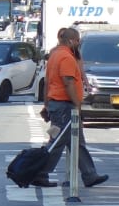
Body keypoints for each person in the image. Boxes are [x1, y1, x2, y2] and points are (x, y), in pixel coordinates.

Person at [40, 26, 107, 190]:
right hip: (65, 106)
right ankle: (39, 172)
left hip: (57, 104)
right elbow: (68, 82)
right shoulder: (66, 58)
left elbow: (48, 82)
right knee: (57, 142)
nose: (78, 44)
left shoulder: (55, 55)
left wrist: (46, 103)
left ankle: (90, 175)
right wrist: (77, 105)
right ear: (71, 41)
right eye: (77, 40)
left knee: (76, 142)